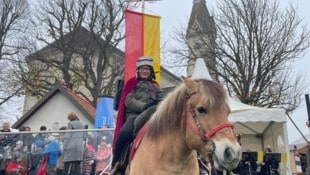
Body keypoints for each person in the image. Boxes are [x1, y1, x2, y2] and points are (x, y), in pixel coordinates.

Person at [111, 56, 164, 174]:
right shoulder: (131, 84)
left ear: (150, 71)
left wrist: (157, 106)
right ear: (138, 70)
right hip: (134, 117)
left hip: (153, 117)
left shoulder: (156, 86)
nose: (144, 71)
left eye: (147, 69)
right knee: (124, 133)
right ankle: (116, 164)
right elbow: (128, 101)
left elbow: (162, 101)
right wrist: (144, 106)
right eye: (142, 69)